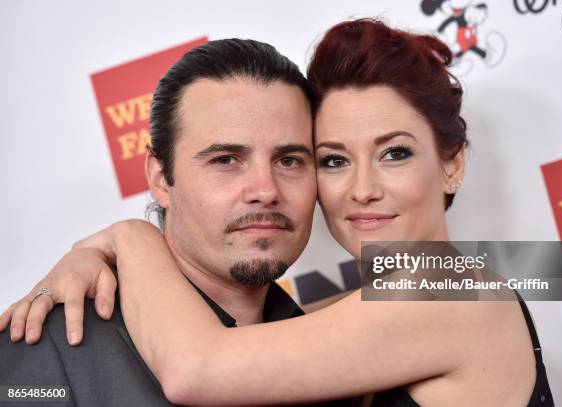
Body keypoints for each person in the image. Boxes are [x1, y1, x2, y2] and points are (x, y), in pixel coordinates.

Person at [1, 19, 555, 406]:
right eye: (334, 160)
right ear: (160, 177)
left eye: (395, 153)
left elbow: (199, 368)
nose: (363, 189)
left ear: (452, 166)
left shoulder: (452, 293)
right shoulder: (318, 326)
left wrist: (125, 236)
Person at [0, 38, 351, 406]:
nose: (265, 190)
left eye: (289, 160)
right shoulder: (51, 344)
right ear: (159, 177)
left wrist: (127, 236)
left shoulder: (341, 358)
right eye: (226, 160)